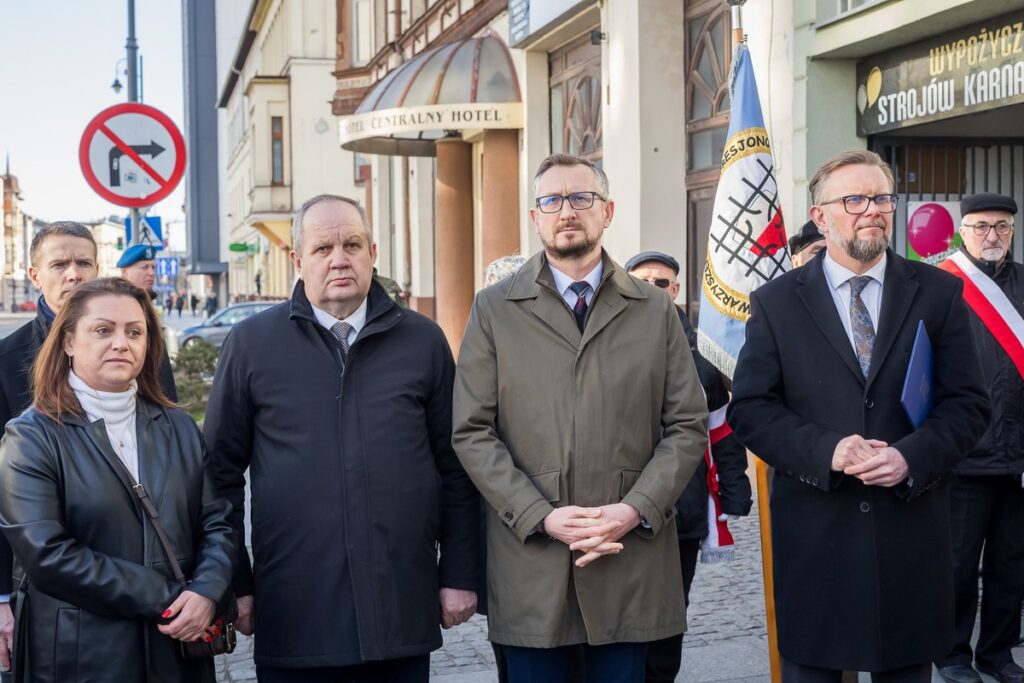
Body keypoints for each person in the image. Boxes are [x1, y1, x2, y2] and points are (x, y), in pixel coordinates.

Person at [728, 149, 991, 682]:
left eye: (881, 198)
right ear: (821, 217)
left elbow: (969, 405)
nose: (872, 209)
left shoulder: (939, 293)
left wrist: (909, 458)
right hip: (817, 542)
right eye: (854, 199)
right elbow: (752, 410)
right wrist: (829, 450)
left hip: (910, 537)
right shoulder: (776, 303)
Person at [452, 153, 708, 683]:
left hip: (627, 556)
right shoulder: (494, 310)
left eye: (581, 198)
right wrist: (538, 514)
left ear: (607, 211)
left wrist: (635, 509)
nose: (566, 210)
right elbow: (472, 432)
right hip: (533, 561)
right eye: (551, 200)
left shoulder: (654, 309)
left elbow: (687, 424)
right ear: (535, 216)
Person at [205, 194, 480, 683]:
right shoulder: (251, 345)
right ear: (297, 260)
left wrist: (458, 574)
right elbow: (218, 476)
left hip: (399, 605)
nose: (339, 258)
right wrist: (236, 583)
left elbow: (456, 467)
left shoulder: (423, 341)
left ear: (372, 252)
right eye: (322, 248)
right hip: (295, 609)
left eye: (352, 244)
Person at [0, 277, 235, 682]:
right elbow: (47, 555)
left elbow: (217, 521)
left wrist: (209, 590)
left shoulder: (178, 426)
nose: (121, 343)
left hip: (178, 653)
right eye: (103, 330)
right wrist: (171, 598)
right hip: (82, 655)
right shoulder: (31, 436)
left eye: (134, 331)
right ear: (69, 342)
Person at [624, 250, 752, 683]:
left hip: (684, 508)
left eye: (660, 283)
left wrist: (735, 492)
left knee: (671, 613)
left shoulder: (704, 355)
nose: (651, 289)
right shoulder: (610, 345)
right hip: (621, 507)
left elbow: (721, 431)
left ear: (674, 291)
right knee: (625, 611)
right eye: (640, 281)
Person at [933, 193, 1024, 683]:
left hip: (1019, 456)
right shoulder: (940, 285)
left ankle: (998, 653)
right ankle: (950, 653)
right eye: (982, 226)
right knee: (958, 563)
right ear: (961, 231)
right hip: (964, 454)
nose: (993, 236)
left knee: (1013, 564)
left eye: (1003, 227)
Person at [0, 221, 99, 670]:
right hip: (40, 586)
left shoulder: (139, 349)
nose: (74, 274)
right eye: (60, 264)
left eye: (84, 263)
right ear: (35, 275)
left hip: (139, 572)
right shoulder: (6, 361)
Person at [118, 244, 178, 401]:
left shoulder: (148, 304)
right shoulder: (118, 308)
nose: (151, 273)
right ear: (124, 272)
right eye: (144, 267)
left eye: (153, 267)